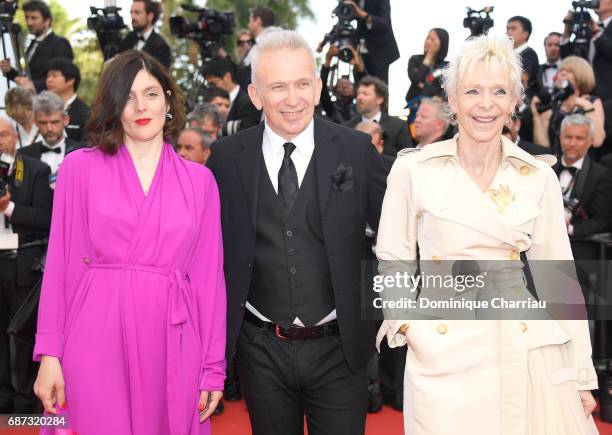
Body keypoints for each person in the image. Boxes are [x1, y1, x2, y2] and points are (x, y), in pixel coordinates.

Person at [376, 34, 598, 435]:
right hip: (440, 350)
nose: (485, 104)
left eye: (499, 91)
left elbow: (560, 284)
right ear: (453, 100)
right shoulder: (414, 171)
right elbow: (393, 260)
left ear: (514, 101)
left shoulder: (537, 177)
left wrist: (580, 372)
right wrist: (409, 327)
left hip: (522, 345)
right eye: (472, 90)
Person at [32, 50, 226, 434]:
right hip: (94, 335)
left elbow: (209, 281)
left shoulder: (200, 182)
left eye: (152, 94)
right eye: (128, 96)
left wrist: (212, 368)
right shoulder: (79, 169)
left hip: (173, 337)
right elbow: (60, 264)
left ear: (168, 101)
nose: (141, 106)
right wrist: (50, 353)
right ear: (113, 105)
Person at [207, 30, 387, 435]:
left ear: (318, 86)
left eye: (303, 84)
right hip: (259, 349)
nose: (293, 99)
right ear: (255, 95)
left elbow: (401, 232)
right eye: (278, 87)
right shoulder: (225, 157)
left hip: (341, 349)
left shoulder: (357, 150)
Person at [0, 115, 53, 414]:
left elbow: (47, 219)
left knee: (21, 337)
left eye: (3, 136)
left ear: (16, 138)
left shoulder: (35, 170)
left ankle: (24, 400)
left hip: (22, 263)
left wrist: (9, 207)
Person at [554, 114, 612, 242]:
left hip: (578, 247)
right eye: (568, 137)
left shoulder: (601, 175)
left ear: (590, 141)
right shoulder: (547, 167)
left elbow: (601, 221)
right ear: (560, 137)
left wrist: (570, 229)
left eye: (579, 138)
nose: (573, 143)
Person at [531, 55, 606, 151]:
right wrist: (536, 117)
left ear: (581, 75)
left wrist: (585, 105)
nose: (562, 74)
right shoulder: (553, 104)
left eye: (569, 71)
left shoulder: (592, 101)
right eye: (561, 71)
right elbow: (542, 148)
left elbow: (597, 141)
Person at [0, 0, 73, 92]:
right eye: (27, 18)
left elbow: (64, 77)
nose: (29, 23)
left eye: (34, 18)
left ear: (47, 21)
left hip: (49, 103)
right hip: (31, 102)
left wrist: (33, 85)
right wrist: (10, 71)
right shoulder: (33, 43)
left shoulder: (60, 43)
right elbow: (28, 77)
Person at [19, 91, 84, 185]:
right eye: (43, 123)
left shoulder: (81, 153)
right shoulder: (23, 156)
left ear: (66, 120)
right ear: (35, 122)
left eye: (54, 122)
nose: (49, 129)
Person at [345, 75, 412, 155]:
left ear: (379, 99)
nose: (359, 97)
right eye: (358, 93)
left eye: (365, 94)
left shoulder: (398, 126)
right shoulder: (347, 127)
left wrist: (380, 151)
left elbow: (407, 157)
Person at [561, 0, 612, 102]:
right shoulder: (587, 27)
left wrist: (597, 32)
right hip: (586, 95)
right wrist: (567, 28)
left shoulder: (594, 28)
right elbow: (569, 59)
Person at [342, 0, 400, 83]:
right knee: (360, 84)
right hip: (361, 51)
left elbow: (383, 23)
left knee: (378, 87)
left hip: (379, 52)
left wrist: (362, 14)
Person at [201, 58, 261, 135]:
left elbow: (247, 134)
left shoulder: (248, 103)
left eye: (214, 83)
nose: (212, 88)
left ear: (227, 77)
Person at [45, 58, 91, 143]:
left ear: (70, 80)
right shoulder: (43, 110)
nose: (49, 80)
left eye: (54, 76)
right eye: (48, 76)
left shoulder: (85, 113)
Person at [319, 45, 365, 124]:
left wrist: (358, 65)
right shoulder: (331, 108)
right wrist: (328, 59)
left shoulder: (361, 107)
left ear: (355, 90)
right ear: (335, 90)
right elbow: (321, 87)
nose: (344, 86)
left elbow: (367, 86)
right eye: (340, 85)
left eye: (348, 85)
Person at [118, 0, 171, 69]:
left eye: (137, 12)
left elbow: (160, 77)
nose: (132, 17)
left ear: (150, 16)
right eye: (131, 12)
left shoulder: (161, 46)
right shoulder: (128, 38)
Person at [405, 28, 449, 106]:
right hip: (415, 103)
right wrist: (428, 58)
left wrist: (422, 85)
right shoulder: (415, 59)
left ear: (442, 44)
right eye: (427, 38)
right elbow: (415, 79)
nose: (428, 42)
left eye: (432, 40)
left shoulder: (446, 66)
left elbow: (443, 89)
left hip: (436, 105)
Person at [506, 16, 539, 92]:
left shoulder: (530, 54)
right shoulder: (504, 54)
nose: (508, 32)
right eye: (507, 29)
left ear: (525, 34)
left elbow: (522, 78)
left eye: (513, 29)